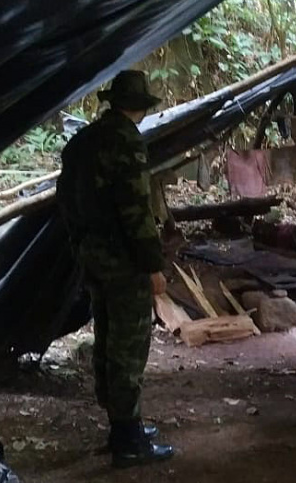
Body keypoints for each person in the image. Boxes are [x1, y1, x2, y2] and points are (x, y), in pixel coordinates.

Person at [57, 70, 174, 468]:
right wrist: (152, 265)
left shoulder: (83, 141)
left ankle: (121, 425)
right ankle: (128, 438)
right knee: (128, 342)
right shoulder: (126, 142)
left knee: (107, 333)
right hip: (123, 261)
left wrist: (80, 244)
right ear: (140, 106)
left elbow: (65, 198)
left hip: (92, 255)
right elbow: (136, 212)